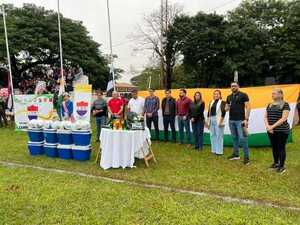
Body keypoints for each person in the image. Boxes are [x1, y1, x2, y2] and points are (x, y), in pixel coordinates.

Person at [264, 88, 290, 174]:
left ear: (281, 95)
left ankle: (282, 166)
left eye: (274, 93)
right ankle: (276, 163)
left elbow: (284, 118)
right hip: (271, 130)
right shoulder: (269, 104)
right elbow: (265, 116)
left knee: (281, 148)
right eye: (272, 93)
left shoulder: (285, 104)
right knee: (274, 147)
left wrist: (272, 127)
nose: (272, 95)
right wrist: (268, 126)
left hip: (282, 130)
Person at [226, 82, 251, 165]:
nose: (233, 87)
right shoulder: (229, 97)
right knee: (234, 138)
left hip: (240, 120)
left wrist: (246, 119)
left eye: (235, 86)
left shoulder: (243, 95)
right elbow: (226, 108)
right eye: (232, 86)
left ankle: (246, 157)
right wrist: (227, 107)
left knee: (243, 139)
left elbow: (248, 107)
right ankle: (236, 155)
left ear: (238, 86)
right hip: (231, 120)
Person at [207, 90, 226, 155]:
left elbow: (224, 113)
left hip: (219, 120)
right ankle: (214, 150)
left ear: (220, 95)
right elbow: (208, 112)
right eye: (215, 94)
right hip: (211, 119)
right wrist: (208, 122)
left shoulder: (223, 102)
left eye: (217, 94)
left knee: (219, 136)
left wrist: (221, 122)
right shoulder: (211, 102)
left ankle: (219, 151)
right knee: (212, 135)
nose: (216, 95)